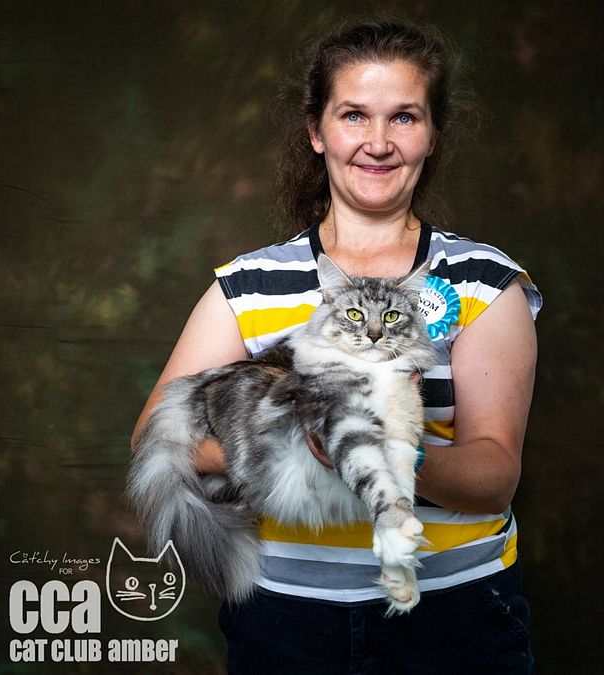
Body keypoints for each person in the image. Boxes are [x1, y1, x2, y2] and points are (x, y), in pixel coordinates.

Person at [132, 16, 542, 674]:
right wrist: (298, 450)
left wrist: (389, 454)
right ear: (316, 131)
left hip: (452, 615)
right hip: (286, 619)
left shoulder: (481, 279)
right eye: (354, 115)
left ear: (432, 134)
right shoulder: (250, 282)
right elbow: (155, 435)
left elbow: (495, 477)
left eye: (403, 117)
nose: (378, 143)